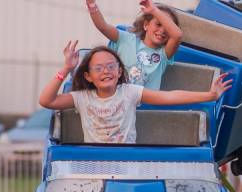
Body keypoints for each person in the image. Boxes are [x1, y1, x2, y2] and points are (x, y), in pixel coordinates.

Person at [39, 41, 230, 144]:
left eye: (111, 66)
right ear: (88, 76)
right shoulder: (82, 97)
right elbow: (46, 101)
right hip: (95, 159)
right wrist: (65, 69)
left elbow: (168, 96)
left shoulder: (129, 92)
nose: (106, 71)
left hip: (128, 159)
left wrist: (210, 95)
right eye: (99, 68)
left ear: (120, 71)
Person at [81, 0, 183, 89]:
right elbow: (102, 26)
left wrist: (154, 11)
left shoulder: (164, 54)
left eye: (167, 27)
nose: (162, 30)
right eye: (158, 24)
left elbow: (177, 35)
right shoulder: (125, 39)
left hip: (146, 105)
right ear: (146, 25)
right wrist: (90, 0)